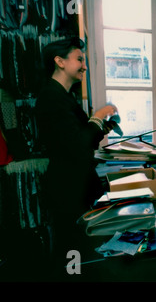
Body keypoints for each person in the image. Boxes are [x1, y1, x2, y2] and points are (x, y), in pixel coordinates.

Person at [35, 37, 118, 278]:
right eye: (79, 59)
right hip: (69, 192)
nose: (84, 66)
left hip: (77, 188)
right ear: (59, 61)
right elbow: (79, 145)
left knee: (83, 254)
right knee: (75, 257)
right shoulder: (51, 97)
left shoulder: (63, 96)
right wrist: (98, 116)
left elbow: (82, 138)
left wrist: (100, 127)